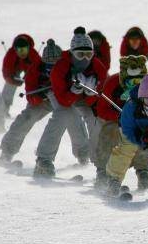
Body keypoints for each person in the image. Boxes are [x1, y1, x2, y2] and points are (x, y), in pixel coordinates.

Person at [34, 32, 107, 178]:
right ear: (72, 53)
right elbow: (62, 100)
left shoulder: (98, 67)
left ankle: (102, 165)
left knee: (95, 120)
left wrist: (91, 95)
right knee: (65, 115)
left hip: (86, 98)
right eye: (80, 55)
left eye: (89, 54)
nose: (85, 59)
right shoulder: (61, 66)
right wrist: (75, 91)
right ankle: (44, 159)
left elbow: (101, 97)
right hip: (65, 97)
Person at [0, 40, 63, 164]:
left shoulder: (68, 66)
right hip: (43, 100)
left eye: (55, 65)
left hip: (65, 99)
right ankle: (7, 152)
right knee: (26, 118)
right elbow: (30, 93)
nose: (51, 68)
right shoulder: (35, 67)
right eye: (49, 65)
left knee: (73, 120)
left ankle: (83, 157)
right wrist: (39, 95)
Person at [93, 55, 148, 190]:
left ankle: (143, 172)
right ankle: (102, 172)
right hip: (114, 120)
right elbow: (101, 110)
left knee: (143, 135)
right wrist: (120, 116)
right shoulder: (113, 82)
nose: (135, 85)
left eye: (138, 80)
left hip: (139, 121)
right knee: (109, 133)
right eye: (131, 81)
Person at [1, 34, 40, 118]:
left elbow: (39, 70)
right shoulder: (11, 54)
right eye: (20, 50)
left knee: (34, 84)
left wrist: (29, 77)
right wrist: (13, 80)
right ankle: (3, 109)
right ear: (15, 50)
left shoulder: (33, 54)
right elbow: (6, 72)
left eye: (25, 50)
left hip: (29, 70)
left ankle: (35, 107)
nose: (22, 53)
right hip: (15, 70)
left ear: (28, 48)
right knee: (9, 85)